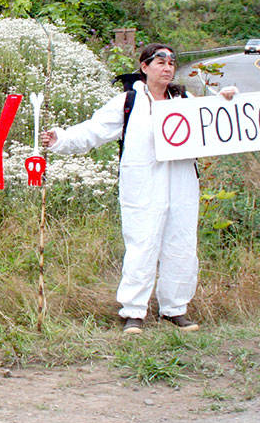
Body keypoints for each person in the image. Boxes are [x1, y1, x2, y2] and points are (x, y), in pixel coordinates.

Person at [40, 43, 235, 334]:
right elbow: (94, 130)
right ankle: (133, 311)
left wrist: (225, 102)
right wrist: (61, 138)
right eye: (160, 62)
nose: (167, 67)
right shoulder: (128, 102)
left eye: (171, 62)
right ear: (144, 67)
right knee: (142, 245)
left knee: (181, 245)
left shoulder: (184, 98)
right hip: (143, 184)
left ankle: (175, 309)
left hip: (182, 183)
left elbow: (211, 124)